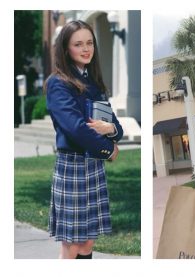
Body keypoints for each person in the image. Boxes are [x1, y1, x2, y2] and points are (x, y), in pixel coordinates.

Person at [44, 20, 124, 259]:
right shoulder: (58, 84)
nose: (86, 48)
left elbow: (116, 127)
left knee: (88, 242)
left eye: (89, 42)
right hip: (72, 167)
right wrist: (108, 150)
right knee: (73, 245)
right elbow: (76, 129)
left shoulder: (94, 84)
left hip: (93, 169)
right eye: (78, 44)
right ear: (66, 49)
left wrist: (109, 127)